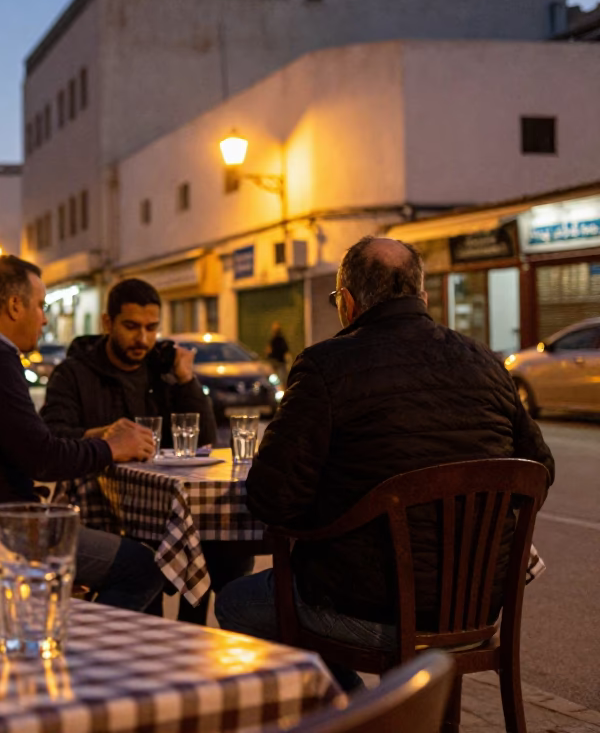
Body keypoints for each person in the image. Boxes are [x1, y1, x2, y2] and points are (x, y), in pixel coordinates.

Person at [215, 236, 555, 689]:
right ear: (423, 297)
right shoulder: (486, 363)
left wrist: (339, 513)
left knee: (236, 603)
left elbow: (272, 499)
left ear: (349, 303)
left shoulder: (325, 366)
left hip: (368, 611)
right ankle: (381, 714)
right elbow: (538, 470)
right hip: (476, 609)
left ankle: (360, 711)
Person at [0, 255, 164, 612]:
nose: (44, 318)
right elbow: (43, 459)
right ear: (14, 305)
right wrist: (110, 447)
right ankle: (88, 651)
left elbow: (31, 442)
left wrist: (95, 437)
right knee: (144, 566)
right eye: (40, 306)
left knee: (124, 558)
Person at [40, 277, 230, 623]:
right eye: (131, 326)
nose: (142, 338)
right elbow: (52, 436)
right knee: (146, 565)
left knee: (225, 554)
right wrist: (106, 438)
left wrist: (187, 380)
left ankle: (187, 643)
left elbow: (203, 441)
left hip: (162, 509)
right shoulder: (73, 373)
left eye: (151, 328)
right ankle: (106, 645)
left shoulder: (162, 373)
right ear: (107, 323)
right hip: (101, 508)